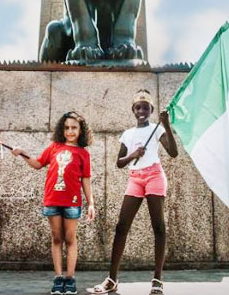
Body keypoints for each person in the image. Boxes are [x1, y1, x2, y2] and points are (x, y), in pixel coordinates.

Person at [88, 89, 178, 295]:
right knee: (121, 227)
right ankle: (112, 279)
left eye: (146, 108)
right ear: (133, 110)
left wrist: (166, 125)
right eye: (138, 108)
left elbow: (173, 153)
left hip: (154, 176)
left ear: (151, 110)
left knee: (158, 227)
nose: (141, 111)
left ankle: (157, 280)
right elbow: (119, 163)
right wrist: (133, 154)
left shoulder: (157, 129)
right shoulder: (128, 134)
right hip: (135, 178)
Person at [12, 111, 96, 295]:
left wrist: (91, 203)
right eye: (66, 128)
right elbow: (37, 164)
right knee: (57, 238)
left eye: (74, 128)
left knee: (70, 239)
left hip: (72, 202)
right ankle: (58, 278)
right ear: (62, 129)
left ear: (81, 130)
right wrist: (22, 153)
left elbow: (86, 179)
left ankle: (70, 279)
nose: (70, 131)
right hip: (52, 200)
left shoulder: (83, 153)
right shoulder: (54, 147)